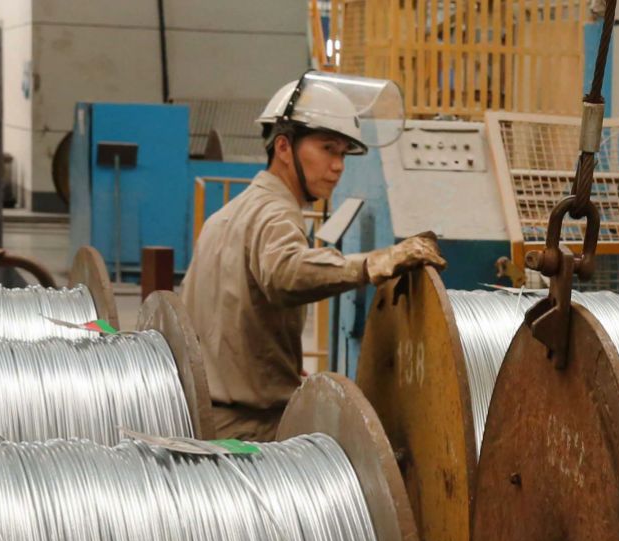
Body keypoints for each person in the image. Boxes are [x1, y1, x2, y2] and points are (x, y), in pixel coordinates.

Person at [181, 74, 446, 440]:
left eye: (342, 154)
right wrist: (372, 263)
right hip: (252, 432)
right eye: (327, 149)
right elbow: (284, 272)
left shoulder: (226, 215)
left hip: (201, 417)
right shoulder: (277, 214)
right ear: (284, 148)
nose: (338, 166)